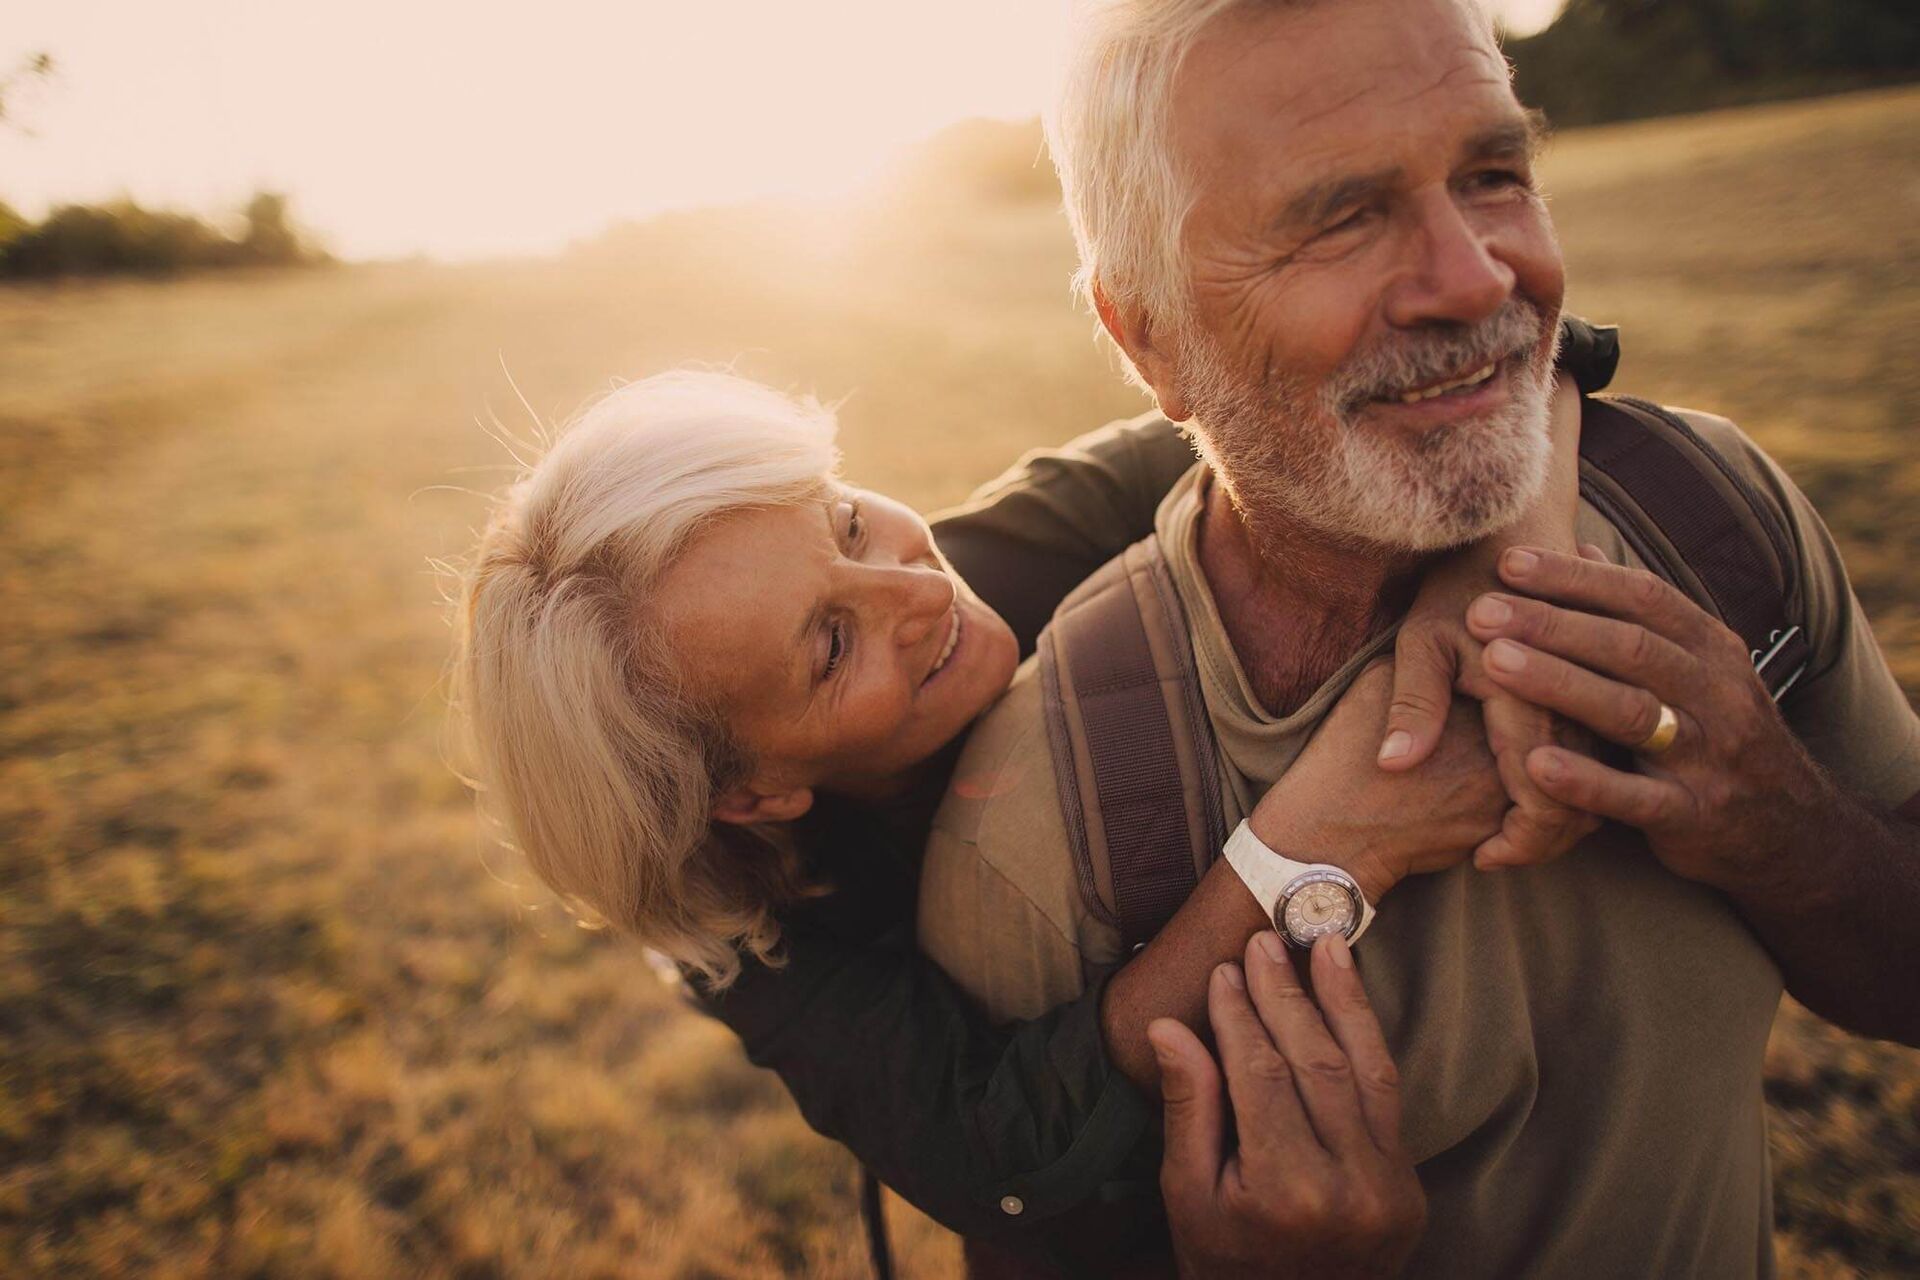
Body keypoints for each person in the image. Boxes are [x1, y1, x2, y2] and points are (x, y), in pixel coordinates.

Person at [915, 0, 1920, 1275]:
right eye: (1339, 215)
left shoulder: (1711, 517)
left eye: (1494, 176)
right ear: (1148, 335)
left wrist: (1788, 825)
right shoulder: (1047, 825)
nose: (1478, 278)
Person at [451, 332, 1605, 1274]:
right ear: (752, 793)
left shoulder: (984, 550)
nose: (913, 582)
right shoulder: (747, 934)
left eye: (847, 520)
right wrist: (1314, 844)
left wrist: (1507, 567)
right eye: (830, 645)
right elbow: (991, 1143)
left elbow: (1470, 353)